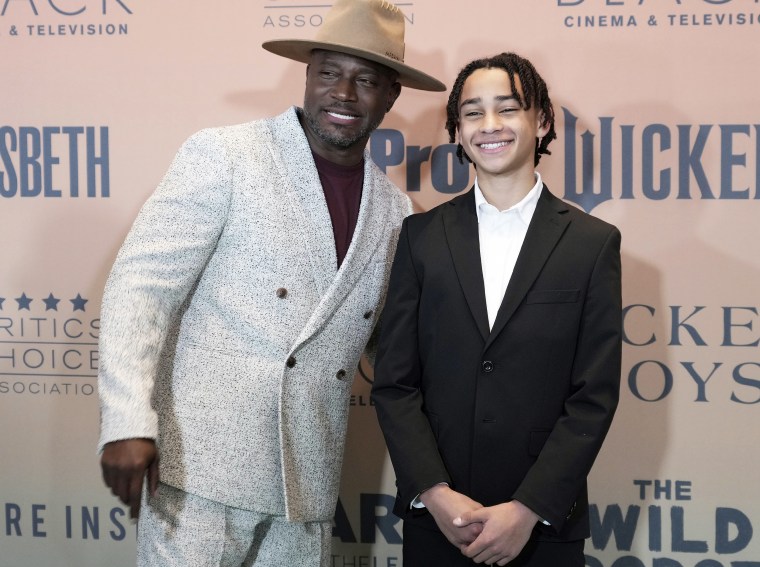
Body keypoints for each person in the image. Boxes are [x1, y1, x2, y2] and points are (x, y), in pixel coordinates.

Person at [96, 1, 445, 565]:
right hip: (200, 473)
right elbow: (142, 287)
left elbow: (391, 350)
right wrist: (127, 419)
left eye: (366, 80)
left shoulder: (396, 211)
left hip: (306, 483)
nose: (344, 94)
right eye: (329, 72)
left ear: (391, 96)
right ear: (307, 76)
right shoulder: (227, 154)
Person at [371, 52, 622, 566]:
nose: (490, 126)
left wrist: (528, 509)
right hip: (439, 523)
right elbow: (395, 383)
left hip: (543, 528)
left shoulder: (592, 243)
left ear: (541, 121)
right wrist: (435, 495)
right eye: (472, 112)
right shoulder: (421, 237)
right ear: (457, 131)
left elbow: (593, 396)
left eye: (507, 109)